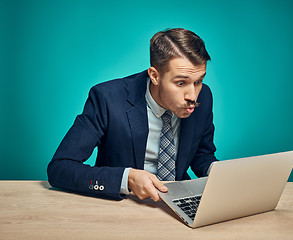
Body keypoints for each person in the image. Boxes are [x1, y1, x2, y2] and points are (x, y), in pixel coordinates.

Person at [47, 28, 218, 201]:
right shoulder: (107, 99)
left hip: (179, 201)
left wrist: (218, 172)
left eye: (198, 81)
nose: (192, 96)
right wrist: (127, 179)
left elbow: (201, 155)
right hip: (124, 203)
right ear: (154, 76)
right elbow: (60, 168)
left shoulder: (204, 96)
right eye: (181, 82)